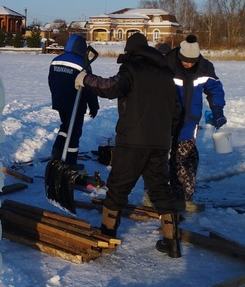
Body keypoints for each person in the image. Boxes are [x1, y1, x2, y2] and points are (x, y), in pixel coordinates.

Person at [74, 33, 183, 258]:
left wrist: (85, 80)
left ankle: (107, 232)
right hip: (159, 144)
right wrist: (166, 136)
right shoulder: (166, 74)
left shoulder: (131, 68)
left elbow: (111, 87)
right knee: (160, 189)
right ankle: (172, 242)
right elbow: (177, 111)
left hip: (132, 141)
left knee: (118, 188)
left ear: (130, 50)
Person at [166, 35, 227, 212]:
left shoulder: (205, 68)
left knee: (187, 160)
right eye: (185, 61)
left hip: (189, 122)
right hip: (166, 121)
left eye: (192, 62)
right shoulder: (167, 65)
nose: (189, 65)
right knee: (163, 160)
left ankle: (184, 199)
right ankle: (156, 196)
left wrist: (218, 112)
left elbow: (215, 90)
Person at [48, 34, 99, 168]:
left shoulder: (55, 60)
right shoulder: (83, 64)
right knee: (74, 131)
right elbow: (89, 87)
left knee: (65, 125)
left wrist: (56, 96)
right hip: (75, 103)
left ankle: (58, 148)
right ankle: (70, 163)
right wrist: (94, 106)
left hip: (59, 101)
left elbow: (51, 80)